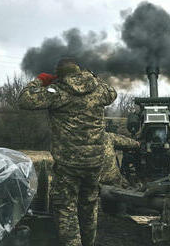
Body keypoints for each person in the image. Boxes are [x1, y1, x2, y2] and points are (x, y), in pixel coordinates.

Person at [18, 58, 117, 246]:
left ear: (59, 75)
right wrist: (93, 77)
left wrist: (39, 81)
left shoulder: (57, 92)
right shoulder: (98, 90)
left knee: (66, 208)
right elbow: (112, 93)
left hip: (68, 164)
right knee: (89, 206)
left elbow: (24, 100)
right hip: (95, 161)